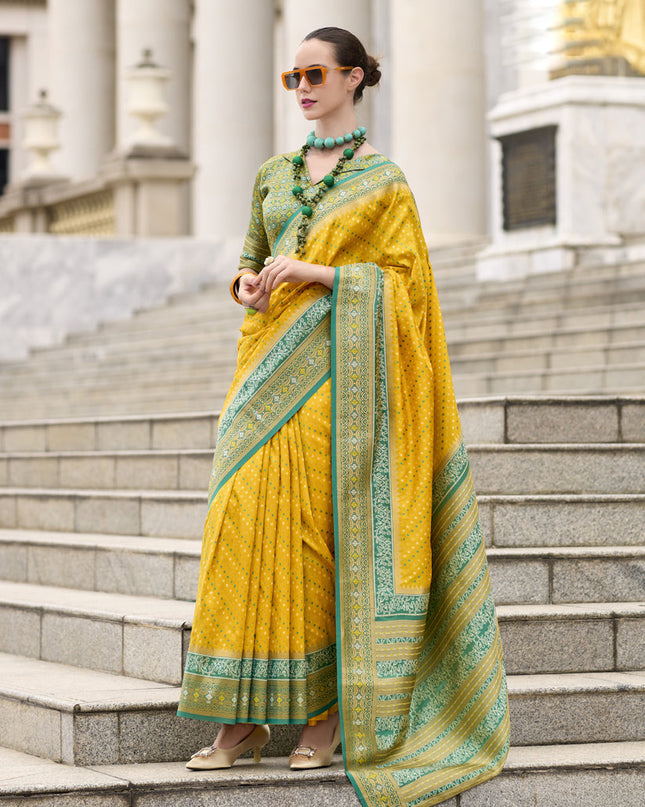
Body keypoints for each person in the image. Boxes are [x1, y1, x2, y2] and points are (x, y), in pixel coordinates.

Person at [178, 26, 510, 807]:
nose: (300, 84)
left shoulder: (384, 181)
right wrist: (248, 285)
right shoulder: (271, 173)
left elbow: (406, 286)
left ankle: (322, 715)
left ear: (354, 78)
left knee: (309, 536)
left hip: (338, 378)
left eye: (315, 72)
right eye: (291, 73)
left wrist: (323, 273)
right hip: (262, 371)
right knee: (239, 523)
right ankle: (242, 717)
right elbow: (248, 259)